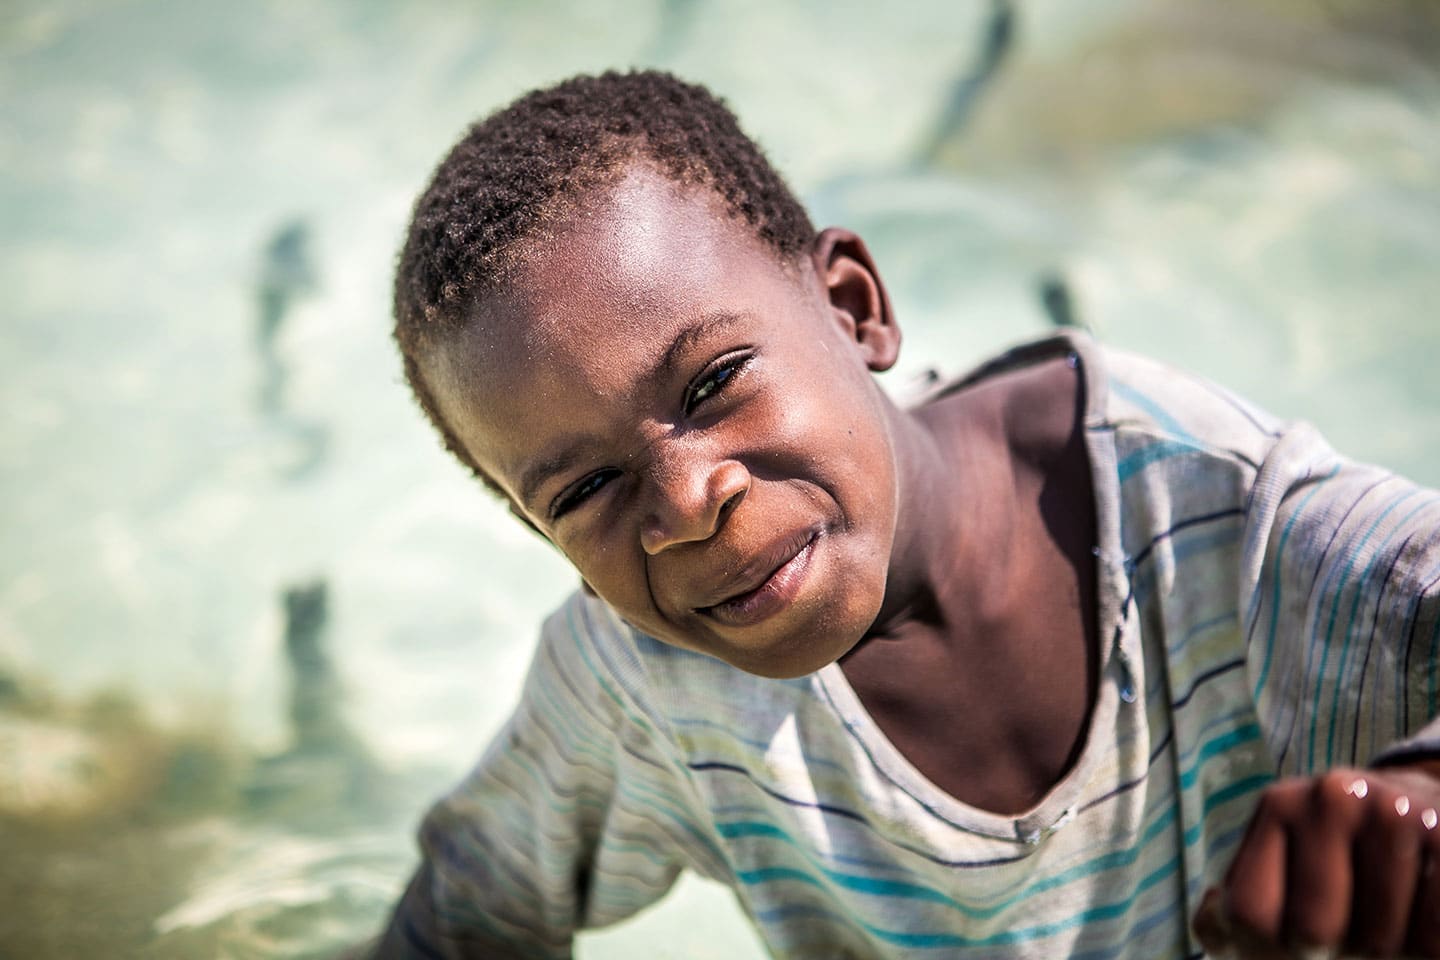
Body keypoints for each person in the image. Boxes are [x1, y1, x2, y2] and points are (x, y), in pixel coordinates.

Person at [366, 70, 1440, 959]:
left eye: (715, 382)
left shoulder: (1212, 511)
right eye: (584, 492)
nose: (688, 505)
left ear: (853, 308)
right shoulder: (637, 687)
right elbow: (462, 922)